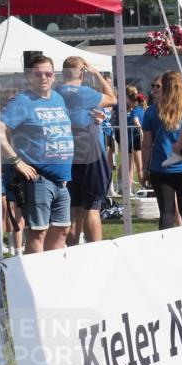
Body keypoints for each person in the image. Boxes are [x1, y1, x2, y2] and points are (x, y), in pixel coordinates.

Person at [0, 55, 75, 254]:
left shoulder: (58, 98)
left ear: (54, 75)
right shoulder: (22, 101)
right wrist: (16, 161)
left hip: (62, 180)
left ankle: (51, 275)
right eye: (38, 74)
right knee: (38, 231)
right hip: (37, 178)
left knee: (62, 229)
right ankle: (33, 279)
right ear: (29, 76)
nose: (44, 77)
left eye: (48, 73)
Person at [58, 56, 117, 245]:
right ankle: (95, 251)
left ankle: (72, 249)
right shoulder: (82, 92)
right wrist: (96, 73)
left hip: (66, 152)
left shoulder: (55, 92)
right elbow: (112, 99)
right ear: (82, 72)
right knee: (92, 206)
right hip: (90, 153)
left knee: (73, 207)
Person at [142, 71, 182, 229]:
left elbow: (146, 144)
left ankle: (164, 248)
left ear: (164, 87)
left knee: (166, 213)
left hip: (160, 168)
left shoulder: (152, 111)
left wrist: (144, 169)